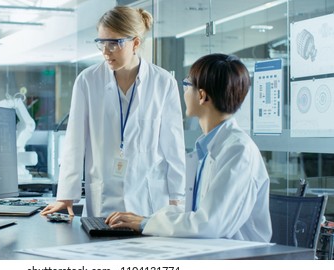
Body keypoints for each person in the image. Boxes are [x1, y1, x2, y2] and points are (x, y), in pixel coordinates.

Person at [106, 53, 272, 242]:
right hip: (207, 251)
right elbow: (195, 214)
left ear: (201, 95)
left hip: (237, 259)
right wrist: (147, 220)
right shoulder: (209, 149)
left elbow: (209, 224)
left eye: (187, 85)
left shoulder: (239, 151)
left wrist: (145, 224)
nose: (183, 92)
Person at [41, 6, 186, 217]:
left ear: (135, 43)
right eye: (101, 43)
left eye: (114, 43)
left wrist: (177, 200)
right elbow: (74, 142)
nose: (106, 52)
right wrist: (65, 196)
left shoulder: (163, 82)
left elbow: (174, 147)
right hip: (103, 199)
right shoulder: (88, 81)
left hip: (149, 201)